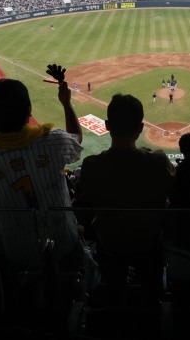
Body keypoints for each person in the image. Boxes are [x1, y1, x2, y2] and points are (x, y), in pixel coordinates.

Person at [0, 67, 84, 277]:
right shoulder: (54, 141)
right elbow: (76, 136)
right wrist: (66, 103)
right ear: (29, 109)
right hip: (64, 241)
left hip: (19, 252)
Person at [74, 94, 174, 305]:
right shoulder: (157, 161)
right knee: (151, 293)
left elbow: (86, 199)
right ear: (140, 127)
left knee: (114, 291)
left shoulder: (92, 165)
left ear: (108, 126)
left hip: (109, 243)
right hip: (149, 243)